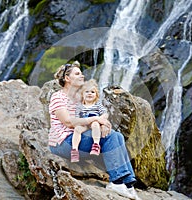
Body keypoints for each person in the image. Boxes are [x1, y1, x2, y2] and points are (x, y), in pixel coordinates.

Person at [48, 61, 140, 199]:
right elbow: (68, 122)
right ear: (67, 79)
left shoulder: (81, 98)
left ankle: (128, 184)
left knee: (117, 136)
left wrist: (104, 124)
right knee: (111, 138)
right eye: (77, 74)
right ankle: (116, 181)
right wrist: (95, 120)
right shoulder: (58, 97)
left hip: (80, 137)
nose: (82, 76)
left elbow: (94, 113)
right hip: (64, 143)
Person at [71, 79, 108, 162]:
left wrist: (102, 119)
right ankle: (74, 150)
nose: (89, 94)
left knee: (95, 124)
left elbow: (105, 113)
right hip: (84, 123)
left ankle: (96, 145)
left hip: (94, 123)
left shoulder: (97, 104)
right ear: (82, 95)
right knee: (77, 129)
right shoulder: (80, 106)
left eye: (92, 92)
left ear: (96, 95)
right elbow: (77, 118)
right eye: (87, 92)